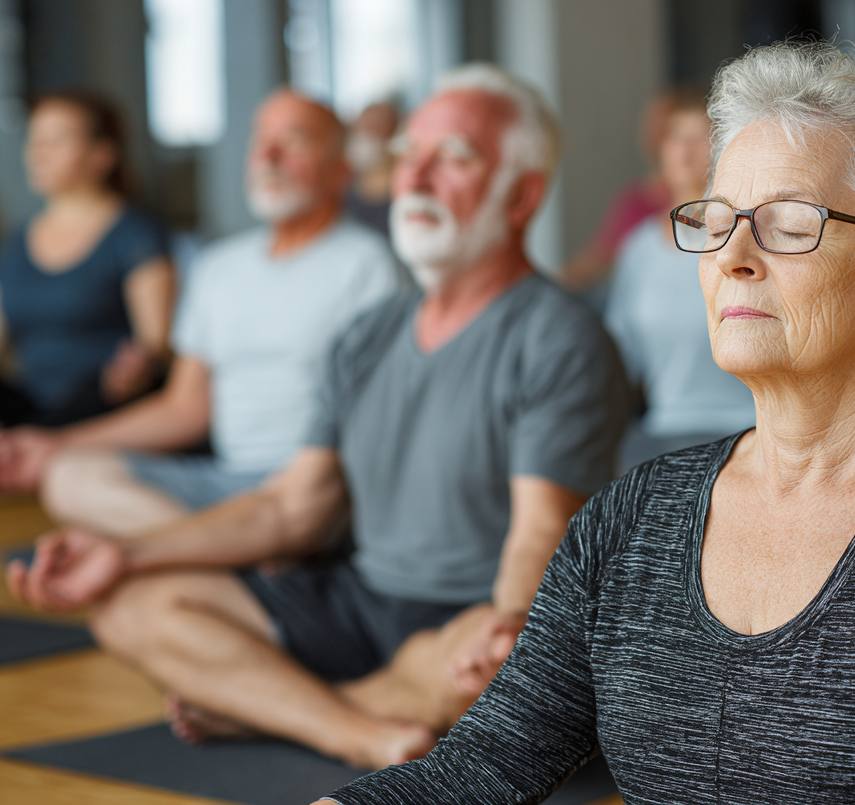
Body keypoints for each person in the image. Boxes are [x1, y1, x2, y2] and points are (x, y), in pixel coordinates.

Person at [322, 42, 855, 805]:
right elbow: (479, 769)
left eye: (789, 224)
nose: (733, 256)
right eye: (717, 219)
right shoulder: (629, 519)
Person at [7, 64, 629, 771]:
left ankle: (275, 708)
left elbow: (540, 537)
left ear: (522, 196)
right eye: (408, 155)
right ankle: (353, 725)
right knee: (129, 605)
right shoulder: (367, 333)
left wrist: (504, 625)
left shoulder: (559, 335)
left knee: (508, 660)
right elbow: (292, 506)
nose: (417, 177)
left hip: (465, 611)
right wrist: (129, 553)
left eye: (453, 158)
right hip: (360, 598)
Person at [0, 91, 399, 535]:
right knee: (68, 478)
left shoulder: (367, 264)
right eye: (261, 139)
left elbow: (378, 418)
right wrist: (56, 444)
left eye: (295, 141)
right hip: (223, 480)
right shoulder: (219, 266)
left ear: (341, 168)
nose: (269, 155)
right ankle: (236, 556)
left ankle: (223, 550)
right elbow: (186, 407)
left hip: (310, 484)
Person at [0, 91, 174, 427]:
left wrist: (135, 367)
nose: (38, 154)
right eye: (34, 140)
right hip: (33, 404)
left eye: (56, 141)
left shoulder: (136, 234)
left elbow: (156, 344)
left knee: (88, 395)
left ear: (103, 154)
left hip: (104, 404)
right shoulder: (18, 243)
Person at [604, 87, 756, 470]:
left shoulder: (746, 240)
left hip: (746, 428)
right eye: (675, 137)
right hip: (661, 432)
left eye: (699, 137)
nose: (685, 150)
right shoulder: (638, 249)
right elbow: (621, 359)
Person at [555, 92, 673, 295]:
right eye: (654, 129)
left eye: (668, 132)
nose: (655, 137)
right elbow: (601, 254)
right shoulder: (636, 200)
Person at [344, 101, 400, 239]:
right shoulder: (343, 183)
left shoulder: (404, 183)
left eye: (376, 127)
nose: (367, 134)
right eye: (362, 126)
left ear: (392, 131)